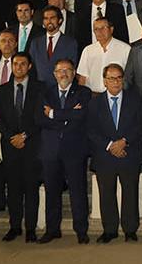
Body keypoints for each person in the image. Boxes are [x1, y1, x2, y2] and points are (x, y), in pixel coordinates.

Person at [38, 58, 93, 244]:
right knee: (52, 192)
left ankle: (81, 231)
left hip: (75, 150)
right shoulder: (45, 93)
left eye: (68, 70)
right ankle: (52, 230)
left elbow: (82, 115)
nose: (63, 74)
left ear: (74, 73)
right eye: (59, 71)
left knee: (78, 192)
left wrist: (54, 114)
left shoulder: (83, 92)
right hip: (50, 150)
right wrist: (69, 115)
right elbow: (40, 119)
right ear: (54, 74)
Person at [87, 63, 142, 243]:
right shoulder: (94, 103)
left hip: (129, 153)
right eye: (111, 78)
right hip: (105, 156)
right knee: (106, 193)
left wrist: (124, 141)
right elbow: (91, 130)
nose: (116, 82)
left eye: (119, 77)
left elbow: (140, 125)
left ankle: (130, 230)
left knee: (130, 192)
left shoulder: (135, 99)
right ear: (104, 81)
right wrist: (111, 145)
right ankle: (109, 230)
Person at [0, 51, 42, 242]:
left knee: (31, 188)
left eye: (22, 64)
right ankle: (14, 227)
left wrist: (25, 135)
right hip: (10, 145)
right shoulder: (2, 89)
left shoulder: (39, 89)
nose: (18, 67)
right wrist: (11, 136)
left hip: (31, 145)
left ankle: (30, 229)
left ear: (29, 66)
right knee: (13, 188)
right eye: (15, 64)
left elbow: (40, 116)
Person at [76, 17, 131, 94]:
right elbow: (82, 78)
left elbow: (130, 77)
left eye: (103, 28)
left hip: (116, 96)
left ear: (111, 29)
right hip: (92, 96)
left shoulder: (125, 49)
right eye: (96, 29)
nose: (99, 32)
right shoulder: (88, 50)